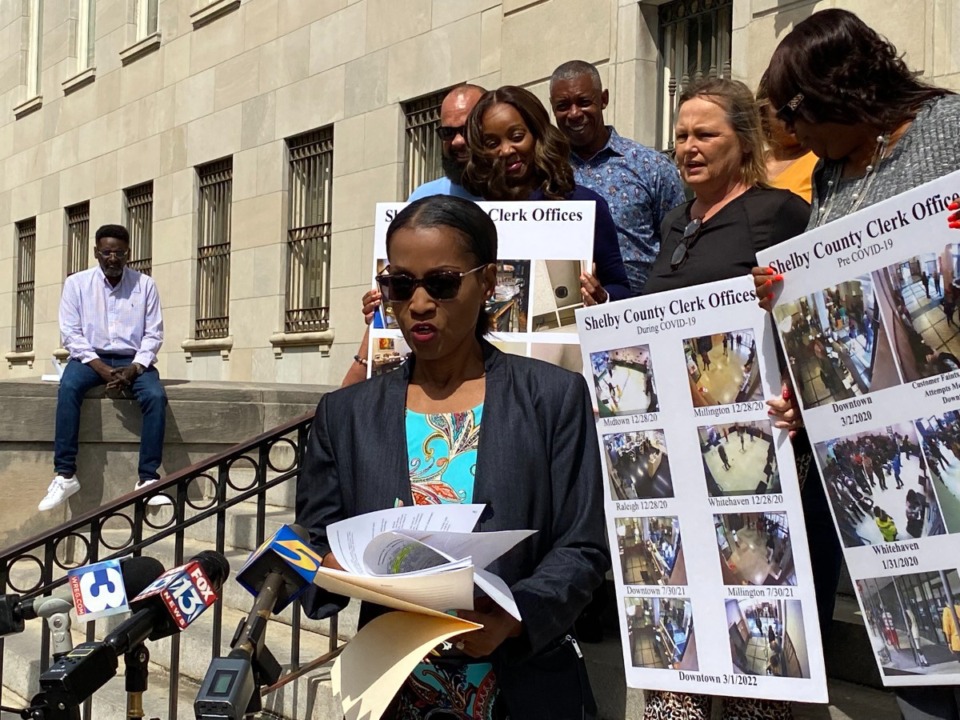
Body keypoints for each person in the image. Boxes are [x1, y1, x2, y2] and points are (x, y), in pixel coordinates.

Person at [297, 195, 608, 718]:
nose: (418, 304)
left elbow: (583, 545)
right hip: (395, 688)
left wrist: (516, 616)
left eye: (441, 282)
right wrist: (321, 566)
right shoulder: (344, 415)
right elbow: (312, 535)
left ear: (486, 283)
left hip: (522, 683)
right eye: (400, 284)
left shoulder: (554, 398)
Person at [641, 77, 810, 720]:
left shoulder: (781, 213)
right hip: (678, 445)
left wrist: (798, 392)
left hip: (752, 445)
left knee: (750, 586)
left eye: (705, 133)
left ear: (745, 140)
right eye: (681, 135)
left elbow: (803, 316)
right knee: (676, 586)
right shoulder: (674, 222)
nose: (688, 146)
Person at [461, 85, 631, 305]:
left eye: (517, 136)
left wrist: (601, 297)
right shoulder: (474, 219)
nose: (506, 150)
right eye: (492, 143)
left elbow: (621, 289)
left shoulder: (584, 205)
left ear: (538, 135)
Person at [40, 224, 169, 511]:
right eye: (107, 252)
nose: (113, 258)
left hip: (133, 359)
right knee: (69, 388)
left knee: (156, 397)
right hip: (89, 358)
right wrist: (100, 368)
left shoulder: (145, 285)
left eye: (119, 253)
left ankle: (148, 479)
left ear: (128, 254)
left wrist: (134, 369)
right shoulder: (77, 284)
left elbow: (153, 334)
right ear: (96, 252)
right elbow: (71, 333)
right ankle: (64, 475)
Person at [548, 60, 685, 294]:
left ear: (603, 99)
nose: (574, 113)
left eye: (583, 102)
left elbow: (679, 245)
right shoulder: (546, 172)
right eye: (563, 106)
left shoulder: (650, 166)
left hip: (642, 312)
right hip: (565, 316)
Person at [407, 84, 486, 202]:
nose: (457, 141)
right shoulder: (421, 200)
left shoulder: (521, 195)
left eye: (467, 130)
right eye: (447, 132)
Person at [756, 81, 819, 203]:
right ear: (763, 110)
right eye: (784, 104)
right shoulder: (749, 165)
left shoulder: (821, 163)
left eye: (801, 103)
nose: (794, 113)